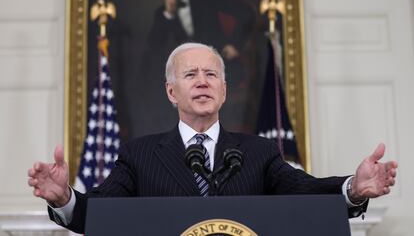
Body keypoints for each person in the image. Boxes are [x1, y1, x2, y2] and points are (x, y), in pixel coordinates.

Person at [28, 43, 398, 234]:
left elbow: (306, 193)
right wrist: (64, 198)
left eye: (211, 74)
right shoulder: (139, 155)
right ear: (172, 92)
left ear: (224, 90)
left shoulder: (258, 152)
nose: (202, 81)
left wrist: (353, 188)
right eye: (190, 74)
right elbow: (100, 215)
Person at [147, 0, 254, 88]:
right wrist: (169, 14)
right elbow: (154, 46)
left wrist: (235, 44)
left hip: (219, 65)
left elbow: (245, 11)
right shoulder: (162, 12)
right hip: (184, 74)